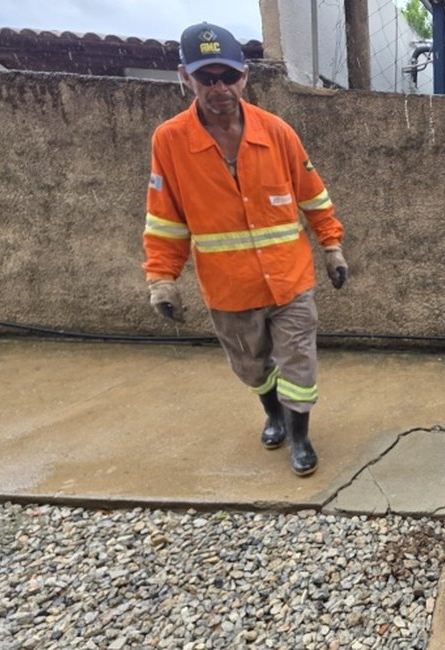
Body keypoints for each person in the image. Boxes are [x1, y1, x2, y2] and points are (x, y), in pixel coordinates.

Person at [141, 22, 348, 477]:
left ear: (244, 76)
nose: (219, 88)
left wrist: (332, 247)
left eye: (228, 76)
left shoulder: (277, 133)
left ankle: (300, 435)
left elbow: (314, 195)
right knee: (253, 368)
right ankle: (272, 412)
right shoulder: (171, 142)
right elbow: (165, 220)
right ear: (185, 78)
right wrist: (162, 279)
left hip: (290, 279)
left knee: (298, 362)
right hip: (229, 288)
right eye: (206, 78)